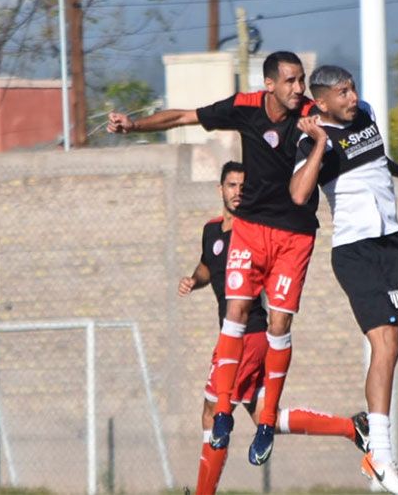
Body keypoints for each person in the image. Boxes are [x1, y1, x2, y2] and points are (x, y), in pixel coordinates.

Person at [108, 51, 319, 466]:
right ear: (269, 84)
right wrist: (134, 125)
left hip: (293, 234)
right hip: (251, 230)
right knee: (234, 313)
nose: (299, 88)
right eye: (291, 81)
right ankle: (223, 412)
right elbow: (183, 116)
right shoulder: (245, 107)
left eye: (302, 80)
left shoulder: (311, 114)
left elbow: (354, 135)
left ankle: (266, 423)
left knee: (279, 324)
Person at [290, 65, 398, 495]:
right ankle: (381, 457)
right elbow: (298, 193)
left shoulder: (365, 114)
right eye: (342, 93)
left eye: (352, 89)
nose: (353, 97)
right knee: (387, 343)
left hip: (394, 244)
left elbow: (373, 157)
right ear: (322, 102)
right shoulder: (311, 140)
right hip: (357, 252)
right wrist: (320, 143)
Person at [181, 161, 367, 494]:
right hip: (236, 337)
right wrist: (194, 280)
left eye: (244, 186)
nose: (238, 192)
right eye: (232, 185)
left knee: (212, 410)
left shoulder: (253, 232)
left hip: (247, 335)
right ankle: (352, 428)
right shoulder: (211, 230)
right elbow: (208, 264)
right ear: (220, 189)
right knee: (266, 416)